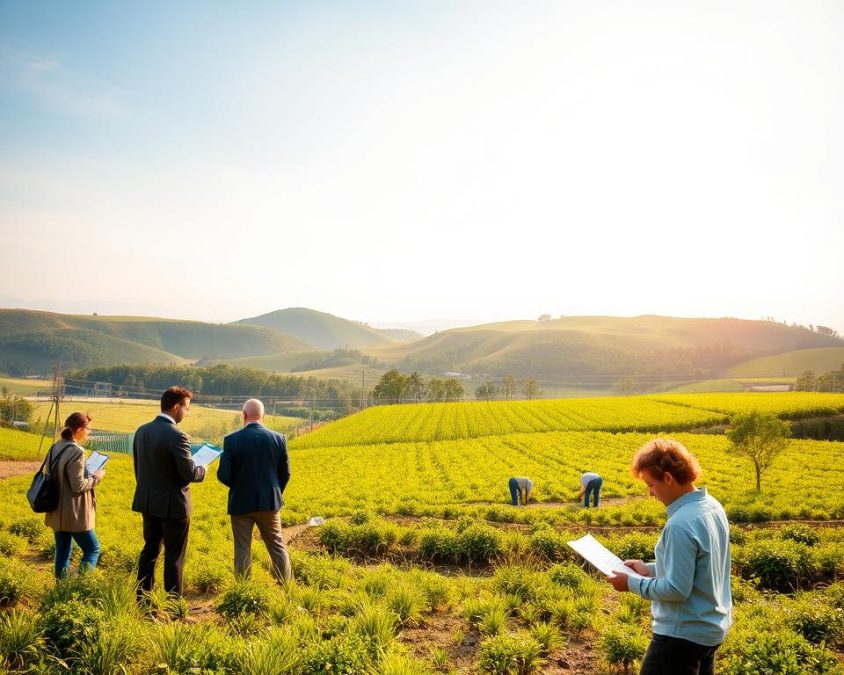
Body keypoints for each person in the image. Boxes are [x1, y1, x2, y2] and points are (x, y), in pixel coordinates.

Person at [608, 439, 732, 675]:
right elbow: (700, 564)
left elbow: (676, 589)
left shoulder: (680, 524)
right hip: (709, 630)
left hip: (680, 637)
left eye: (651, 484)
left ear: (668, 478)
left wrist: (631, 583)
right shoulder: (711, 507)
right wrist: (650, 569)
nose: (650, 493)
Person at [132, 386, 205, 598]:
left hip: (148, 501)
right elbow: (189, 473)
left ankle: (143, 598)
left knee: (150, 551)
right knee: (174, 556)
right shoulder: (178, 436)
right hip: (174, 504)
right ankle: (174, 604)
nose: (186, 413)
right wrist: (202, 470)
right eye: (186, 408)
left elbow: (139, 468)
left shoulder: (141, 431)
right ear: (176, 407)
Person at [217, 398, 292, 582]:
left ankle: (244, 589)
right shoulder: (278, 438)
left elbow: (223, 475)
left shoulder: (231, 440)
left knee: (242, 548)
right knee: (276, 545)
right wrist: (274, 491)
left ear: (244, 415)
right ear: (263, 415)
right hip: (269, 502)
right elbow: (286, 473)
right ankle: (287, 587)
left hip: (240, 503)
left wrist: (239, 487)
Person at [44, 412, 105, 578]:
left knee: (63, 550)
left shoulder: (56, 446)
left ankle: (61, 589)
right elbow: (78, 485)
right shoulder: (77, 451)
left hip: (57, 509)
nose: (88, 433)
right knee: (93, 548)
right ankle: (82, 586)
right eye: (88, 429)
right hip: (74, 512)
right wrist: (96, 478)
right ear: (79, 429)